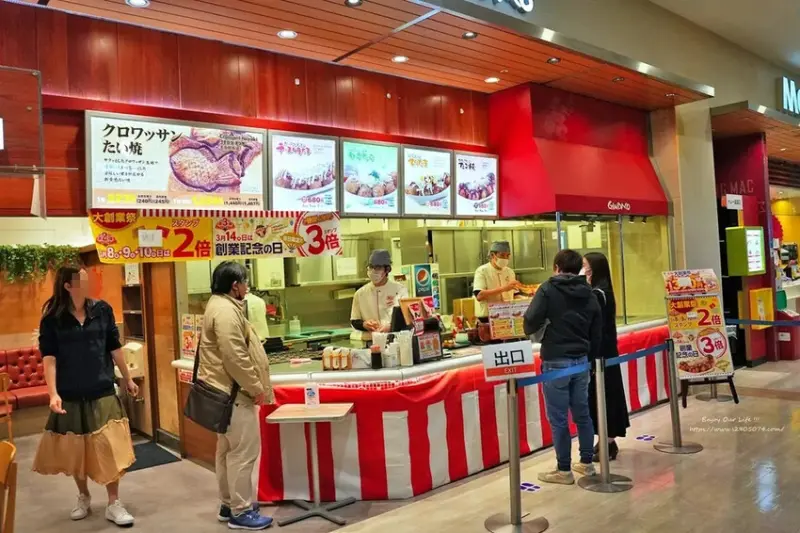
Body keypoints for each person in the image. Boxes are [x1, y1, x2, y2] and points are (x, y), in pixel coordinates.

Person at [32, 266, 138, 526]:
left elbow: (114, 347)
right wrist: (53, 393)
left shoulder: (102, 310)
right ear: (68, 286)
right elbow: (49, 359)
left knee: (109, 446)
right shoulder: (52, 319)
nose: (87, 283)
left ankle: (114, 502)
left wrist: (127, 378)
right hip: (69, 392)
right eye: (81, 280)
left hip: (102, 388)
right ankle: (83, 496)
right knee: (76, 448)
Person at [197, 261, 273, 530]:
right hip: (235, 395)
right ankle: (241, 512)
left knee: (227, 451)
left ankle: (229, 503)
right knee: (243, 453)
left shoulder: (217, 305)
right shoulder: (226, 311)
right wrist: (256, 387)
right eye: (244, 282)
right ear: (235, 286)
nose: (247, 287)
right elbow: (235, 357)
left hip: (223, 394)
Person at [523, 249, 602, 485]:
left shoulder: (548, 289)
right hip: (581, 361)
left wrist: (544, 327)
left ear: (556, 267)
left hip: (555, 360)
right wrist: (589, 355)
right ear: (578, 269)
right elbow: (596, 329)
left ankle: (564, 469)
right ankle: (586, 463)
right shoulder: (589, 291)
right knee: (583, 414)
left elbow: (529, 321)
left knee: (558, 418)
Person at [583, 252, 630, 461]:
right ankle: (606, 440)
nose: (583, 269)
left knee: (605, 395)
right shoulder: (602, 291)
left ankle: (608, 441)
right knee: (602, 394)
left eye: (585, 265)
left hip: (601, 353)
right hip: (606, 351)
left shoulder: (598, 294)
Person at [351, 249, 408, 336]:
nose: (373, 271)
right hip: (370, 339)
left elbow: (406, 318)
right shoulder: (360, 293)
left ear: (387, 269)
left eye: (378, 267)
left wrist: (390, 326)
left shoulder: (400, 290)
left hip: (394, 338)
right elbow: (354, 320)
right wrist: (364, 324)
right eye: (371, 267)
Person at [473, 241, 521, 320]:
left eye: (507, 255)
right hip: (487, 318)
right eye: (502, 255)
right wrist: (504, 288)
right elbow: (479, 295)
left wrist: (529, 298)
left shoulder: (510, 272)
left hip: (507, 316)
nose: (505, 258)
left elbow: (515, 295)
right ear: (492, 255)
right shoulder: (482, 271)